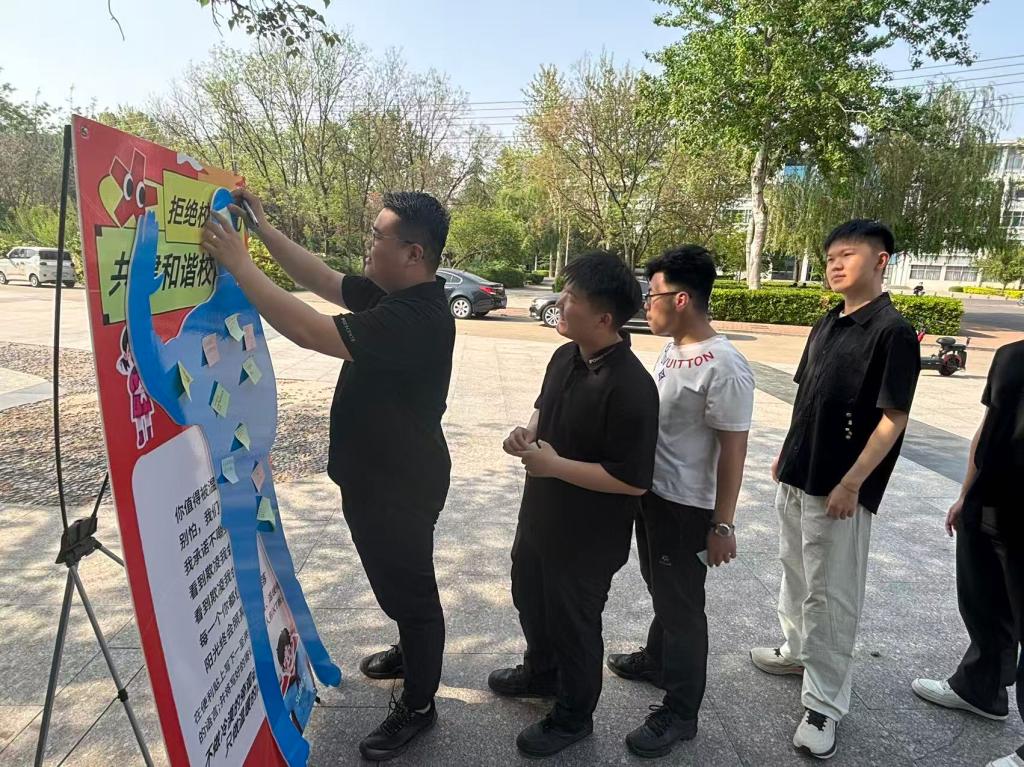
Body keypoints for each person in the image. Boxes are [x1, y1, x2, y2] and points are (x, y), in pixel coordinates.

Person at [202, 189, 454, 762]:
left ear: (413, 253)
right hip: (378, 475)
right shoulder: (395, 293)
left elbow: (313, 331)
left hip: (399, 485)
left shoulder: (418, 317)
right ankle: (412, 649)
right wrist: (263, 231)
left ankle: (419, 704)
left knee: (412, 593)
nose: (369, 243)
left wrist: (240, 264)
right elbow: (321, 279)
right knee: (396, 583)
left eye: (378, 236)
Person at [750, 219, 921, 759]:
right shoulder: (827, 321)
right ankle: (797, 651)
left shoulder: (892, 332)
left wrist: (853, 482)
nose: (835, 265)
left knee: (832, 595)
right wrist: (786, 452)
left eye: (847, 255)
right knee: (795, 572)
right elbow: (806, 397)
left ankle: (824, 703)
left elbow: (894, 418)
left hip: (839, 490)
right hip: (799, 472)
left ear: (881, 261)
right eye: (829, 258)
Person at [487, 251, 660, 759]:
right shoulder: (565, 356)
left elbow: (632, 481)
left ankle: (573, 716)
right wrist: (527, 435)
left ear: (604, 318)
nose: (560, 304)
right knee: (529, 596)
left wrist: (556, 465)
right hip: (541, 516)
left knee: (574, 624)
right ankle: (541, 672)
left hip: (588, 538)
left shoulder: (632, 388)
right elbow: (544, 411)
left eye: (572, 299)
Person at [605, 245, 755, 758]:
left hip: (687, 507)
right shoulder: (673, 349)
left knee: (683, 607)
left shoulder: (725, 365)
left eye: (653, 295)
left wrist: (722, 525)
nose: (647, 304)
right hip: (653, 493)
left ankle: (681, 711)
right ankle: (657, 658)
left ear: (682, 299)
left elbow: (734, 450)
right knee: (662, 587)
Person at [909, 339, 1024, 767]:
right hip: (990, 504)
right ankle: (980, 688)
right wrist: (965, 494)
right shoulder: (1011, 355)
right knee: (982, 601)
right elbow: (988, 425)